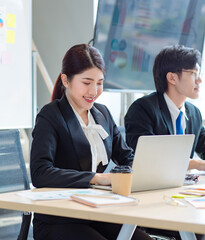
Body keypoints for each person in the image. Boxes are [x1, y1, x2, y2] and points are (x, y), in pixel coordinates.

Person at [30, 44, 152, 240]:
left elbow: (127, 157)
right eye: (87, 82)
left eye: (100, 83)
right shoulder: (50, 115)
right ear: (65, 80)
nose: (94, 91)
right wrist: (96, 178)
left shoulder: (102, 114)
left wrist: (145, 172)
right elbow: (40, 172)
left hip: (97, 212)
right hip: (61, 219)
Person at [125, 44, 205, 171]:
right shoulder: (142, 109)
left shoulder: (194, 113)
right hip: (152, 186)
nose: (199, 80)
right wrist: (196, 164)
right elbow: (147, 158)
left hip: (184, 187)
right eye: (193, 73)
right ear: (172, 78)